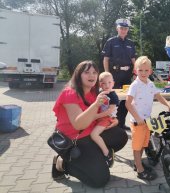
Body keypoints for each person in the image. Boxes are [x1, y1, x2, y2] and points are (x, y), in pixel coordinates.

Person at [51, 60, 128, 188]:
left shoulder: (94, 92)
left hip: (91, 133)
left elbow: (102, 113)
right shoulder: (70, 93)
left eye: (94, 72)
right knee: (100, 180)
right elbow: (78, 125)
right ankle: (62, 163)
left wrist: (114, 120)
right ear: (78, 75)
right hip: (75, 138)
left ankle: (95, 157)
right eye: (87, 72)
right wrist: (96, 104)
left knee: (120, 136)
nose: (92, 75)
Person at [125, 56, 170, 180]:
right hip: (138, 122)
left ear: (150, 71)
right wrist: (137, 118)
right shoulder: (135, 85)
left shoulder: (150, 84)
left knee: (143, 144)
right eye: (140, 70)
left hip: (147, 121)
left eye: (146, 70)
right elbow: (128, 103)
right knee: (137, 147)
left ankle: (137, 164)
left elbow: (159, 97)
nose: (143, 73)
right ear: (135, 71)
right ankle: (140, 170)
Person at [102, 18, 137, 130]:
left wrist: (136, 73)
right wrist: (107, 74)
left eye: (125, 28)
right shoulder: (111, 42)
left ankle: (121, 123)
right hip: (114, 75)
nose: (123, 30)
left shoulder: (130, 43)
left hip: (127, 76)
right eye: (121, 28)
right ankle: (112, 123)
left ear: (127, 30)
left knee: (126, 100)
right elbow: (106, 59)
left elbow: (133, 60)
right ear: (117, 28)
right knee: (113, 100)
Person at [90, 71, 119, 168]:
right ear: (100, 84)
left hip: (107, 118)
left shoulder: (113, 95)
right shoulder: (100, 93)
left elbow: (110, 110)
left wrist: (95, 116)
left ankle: (107, 153)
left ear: (113, 83)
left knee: (94, 134)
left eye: (109, 82)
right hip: (100, 117)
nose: (107, 85)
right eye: (103, 83)